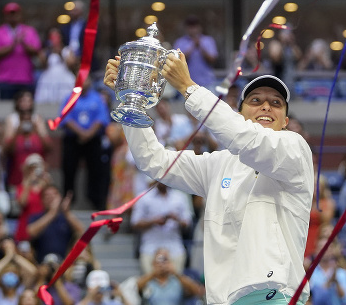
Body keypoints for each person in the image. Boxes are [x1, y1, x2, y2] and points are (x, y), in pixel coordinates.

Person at [104, 51, 315, 305]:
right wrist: (131, 101)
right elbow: (153, 160)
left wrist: (188, 88)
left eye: (276, 103)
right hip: (223, 299)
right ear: (240, 114)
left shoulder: (295, 149)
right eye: (256, 100)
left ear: (285, 122)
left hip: (275, 294)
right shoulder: (218, 164)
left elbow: (247, 139)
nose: (266, 106)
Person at [59, 77, 112, 210]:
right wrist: (81, 133)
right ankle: (68, 200)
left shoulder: (98, 98)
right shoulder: (69, 98)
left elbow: (101, 118)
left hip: (93, 140)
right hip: (73, 139)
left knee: (96, 171)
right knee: (69, 170)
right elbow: (65, 118)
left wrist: (88, 134)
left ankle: (95, 201)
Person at [130, 182, 194, 275]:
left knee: (175, 282)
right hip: (150, 247)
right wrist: (153, 221)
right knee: (150, 284)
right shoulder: (144, 197)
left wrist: (176, 219)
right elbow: (134, 223)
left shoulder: (180, 197)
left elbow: (187, 223)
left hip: (174, 247)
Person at [0, 3, 42, 100]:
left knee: (26, 109)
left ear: (20, 14)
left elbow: (37, 50)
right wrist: (13, 45)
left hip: (26, 79)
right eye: (10, 14)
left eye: (15, 13)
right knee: (5, 110)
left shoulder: (29, 31)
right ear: (5, 16)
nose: (13, 16)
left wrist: (24, 43)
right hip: (6, 79)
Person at [26, 185, 85, 263]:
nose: (51, 198)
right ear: (42, 200)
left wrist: (67, 213)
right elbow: (31, 232)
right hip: (40, 265)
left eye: (54, 195)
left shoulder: (66, 217)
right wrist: (52, 213)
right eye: (47, 196)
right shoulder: (36, 217)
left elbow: (82, 231)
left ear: (60, 197)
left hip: (65, 264)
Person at [136, 248, 204, 305]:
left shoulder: (178, 280)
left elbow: (196, 291)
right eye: (159, 260)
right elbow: (136, 287)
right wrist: (153, 273)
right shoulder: (148, 281)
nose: (162, 264)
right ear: (153, 263)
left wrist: (175, 273)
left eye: (165, 260)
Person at [173, 15, 219, 91]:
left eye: (195, 26)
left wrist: (200, 46)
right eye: (190, 27)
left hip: (207, 82)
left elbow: (213, 59)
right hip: (187, 84)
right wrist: (193, 46)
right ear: (186, 28)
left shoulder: (208, 40)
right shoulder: (180, 42)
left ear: (200, 27)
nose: (193, 29)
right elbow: (177, 62)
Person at [309, 239, 346, 305]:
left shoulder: (342, 273)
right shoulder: (310, 273)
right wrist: (329, 282)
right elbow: (313, 298)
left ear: (332, 251)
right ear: (316, 251)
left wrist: (336, 282)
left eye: (328, 247)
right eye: (321, 247)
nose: (325, 250)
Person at [268, 28, 302, 96]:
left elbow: (299, 57)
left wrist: (292, 43)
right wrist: (282, 42)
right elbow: (275, 58)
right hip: (279, 78)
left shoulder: (291, 47)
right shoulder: (275, 44)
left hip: (291, 80)